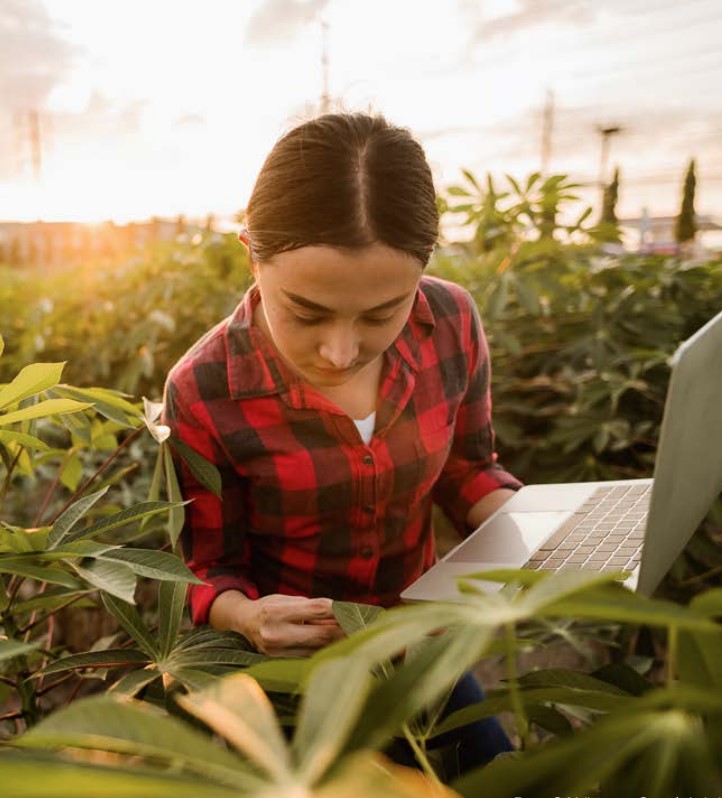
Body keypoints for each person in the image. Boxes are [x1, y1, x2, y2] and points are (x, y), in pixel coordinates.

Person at [162, 111, 522, 774]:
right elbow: (206, 568)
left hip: (418, 644)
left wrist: (529, 529)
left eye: (383, 312)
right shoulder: (205, 387)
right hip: (293, 679)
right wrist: (246, 617)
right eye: (307, 312)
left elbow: (470, 469)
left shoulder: (452, 322)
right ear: (252, 253)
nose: (341, 351)